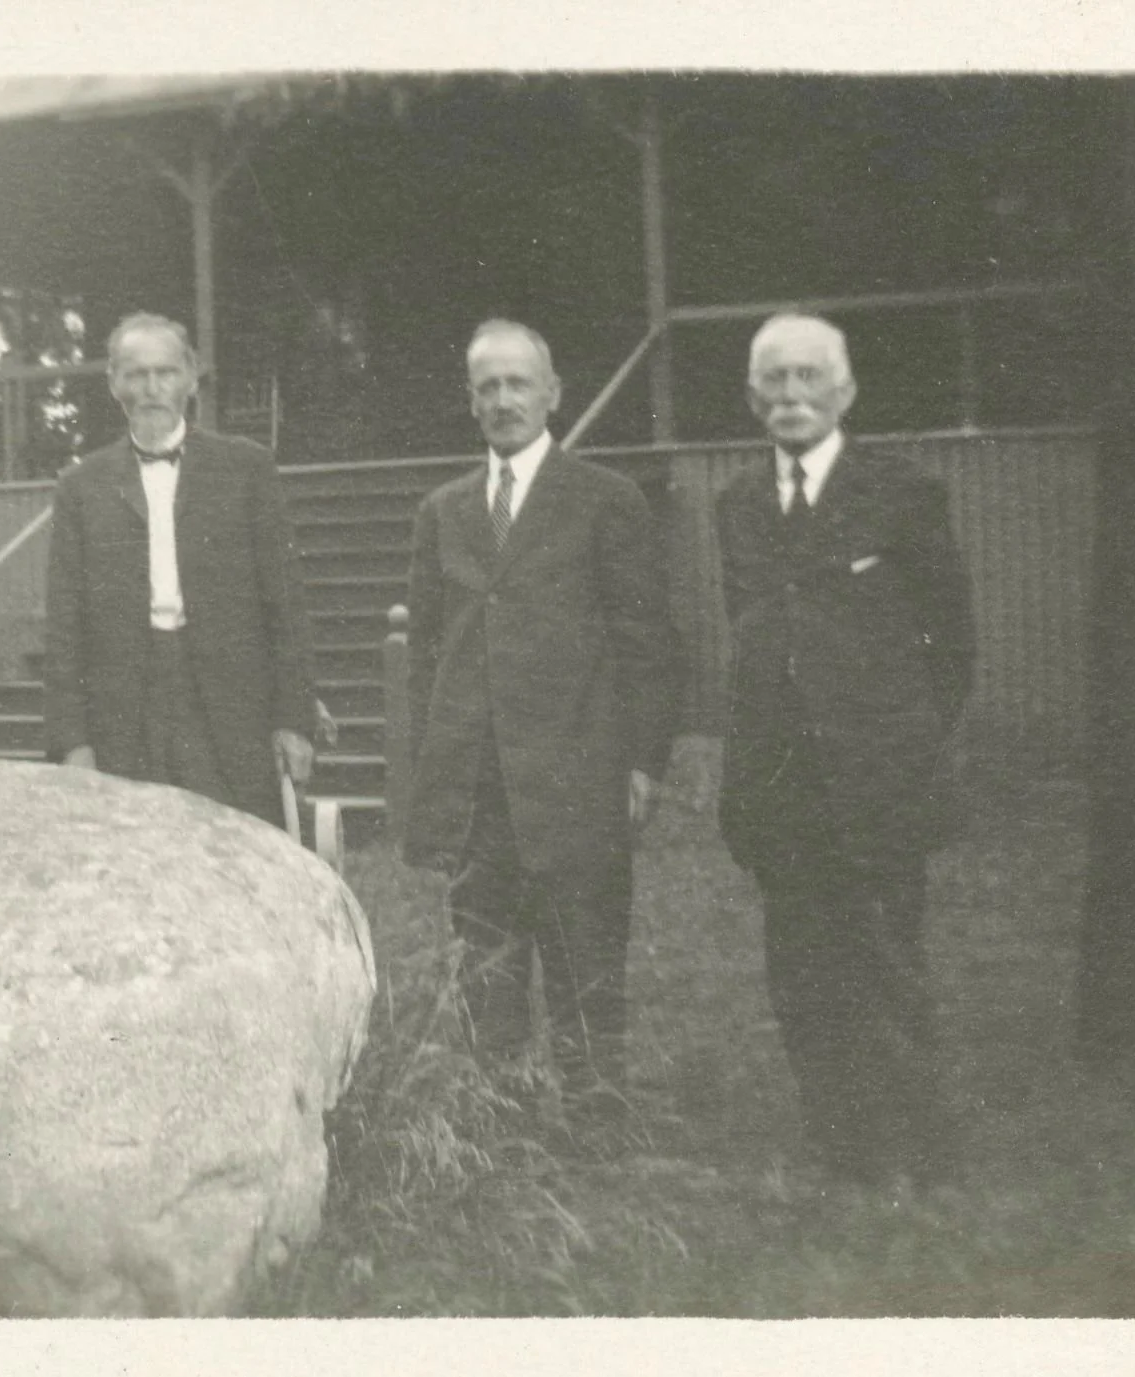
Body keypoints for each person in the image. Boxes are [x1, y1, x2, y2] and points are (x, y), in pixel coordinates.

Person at [715, 313, 975, 1189]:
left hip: (878, 787)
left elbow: (951, 644)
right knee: (802, 979)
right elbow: (752, 643)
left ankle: (920, 1155)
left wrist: (897, 747)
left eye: (807, 378)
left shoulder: (899, 494)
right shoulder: (737, 506)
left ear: (844, 392)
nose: (790, 396)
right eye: (773, 382)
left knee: (885, 968)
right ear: (753, 400)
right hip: (782, 792)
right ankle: (843, 1147)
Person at [403, 319, 679, 1099]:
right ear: (470, 402)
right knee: (485, 963)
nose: (502, 400)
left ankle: (594, 1110)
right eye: (486, 387)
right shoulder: (444, 511)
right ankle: (503, 1113)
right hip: (477, 788)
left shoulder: (604, 500)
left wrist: (642, 762)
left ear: (552, 393)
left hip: (574, 777)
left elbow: (649, 644)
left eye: (517, 383)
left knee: (583, 955)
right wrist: (437, 762)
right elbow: (428, 650)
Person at [44, 312, 316, 824]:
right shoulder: (82, 487)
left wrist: (294, 720)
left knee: (239, 851)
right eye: (136, 374)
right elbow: (65, 627)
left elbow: (286, 604)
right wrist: (72, 742)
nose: (152, 389)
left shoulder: (246, 469)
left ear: (191, 378)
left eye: (165, 373)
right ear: (113, 384)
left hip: (229, 709)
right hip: (125, 713)